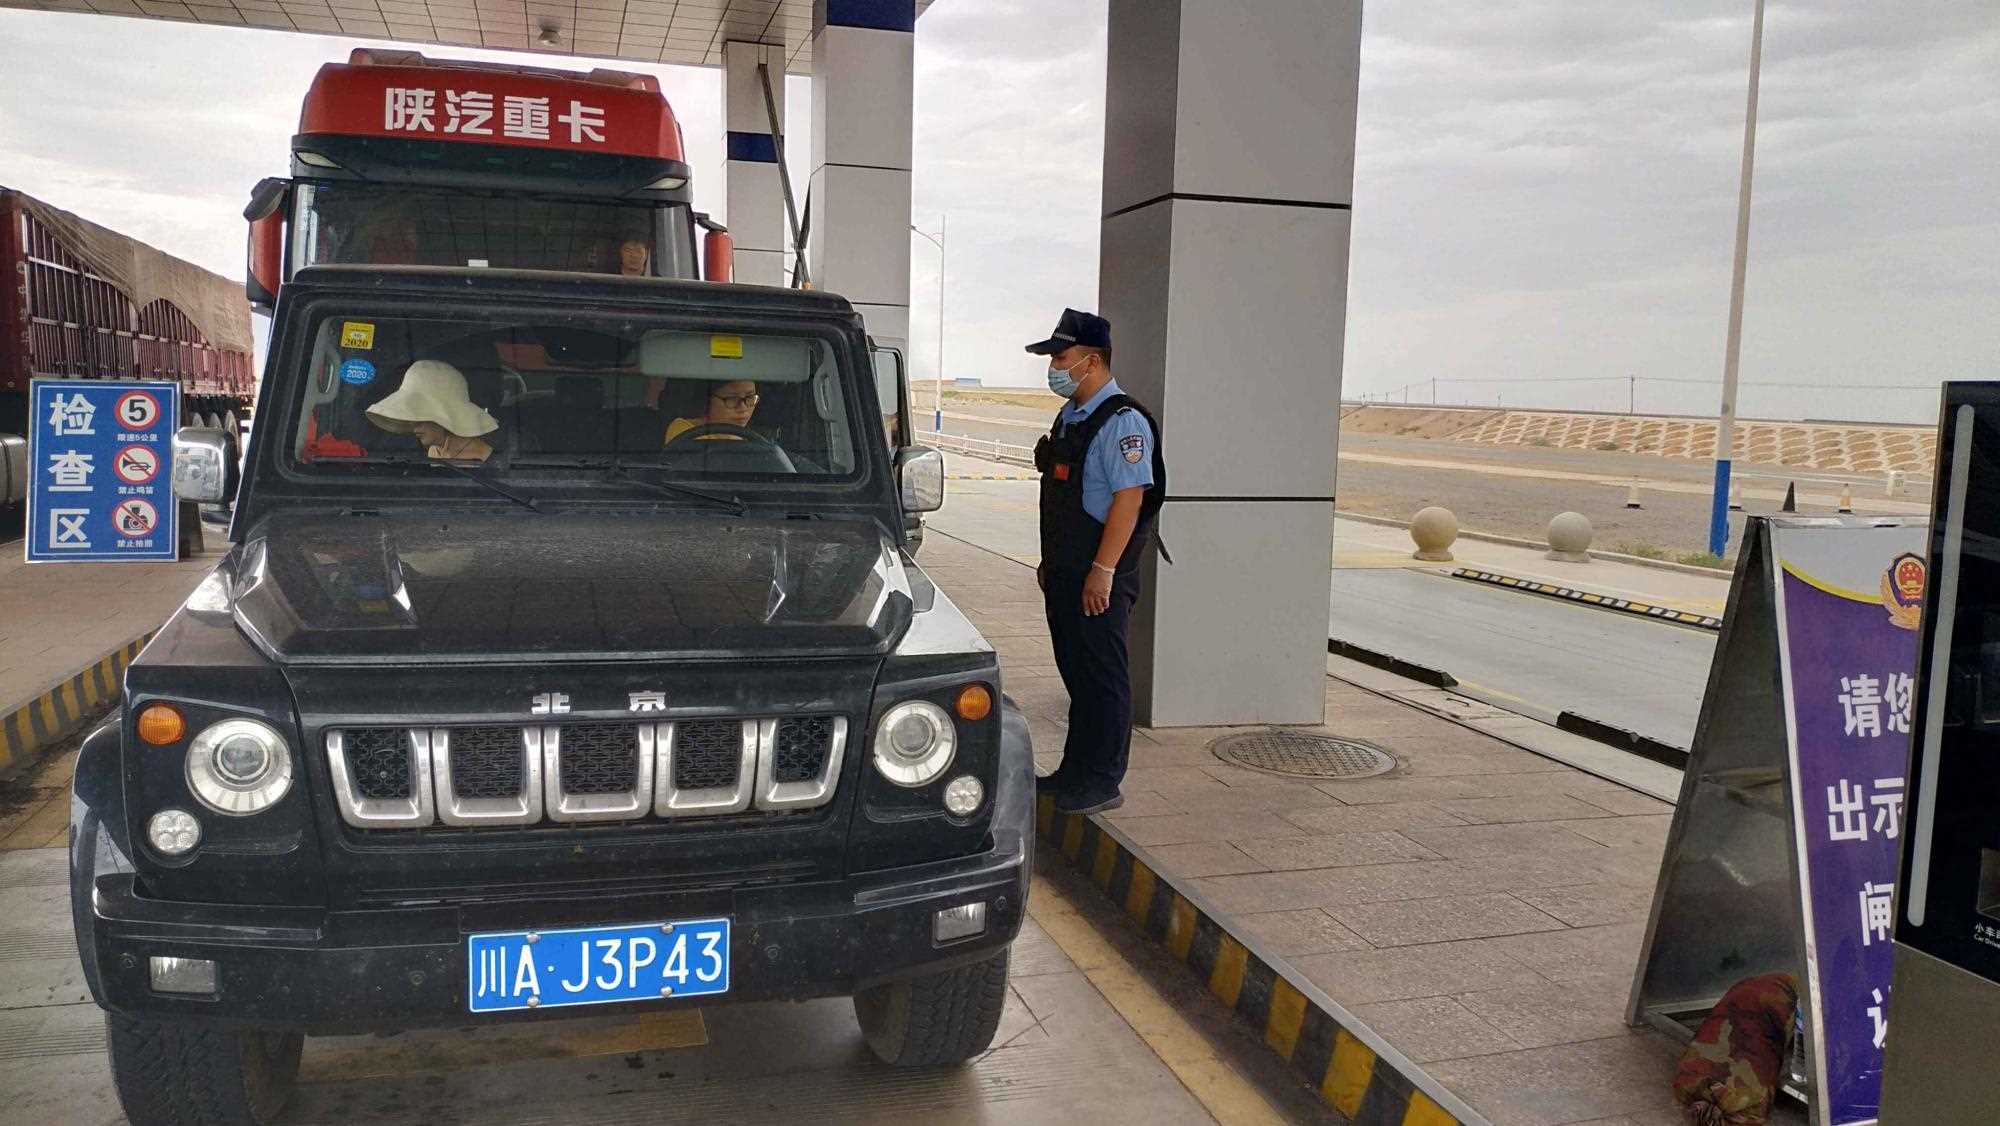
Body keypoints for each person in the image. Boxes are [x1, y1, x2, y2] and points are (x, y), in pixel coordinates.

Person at [1025, 308, 1166, 815]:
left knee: (1103, 677)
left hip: (1099, 577)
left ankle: (1103, 780)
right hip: (1067, 572)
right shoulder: (1072, 416)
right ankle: (1075, 772)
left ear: (1093, 361)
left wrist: (1103, 572)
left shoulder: (1123, 423)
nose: (1054, 368)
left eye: (1060, 358)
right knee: (1078, 674)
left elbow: (1129, 501)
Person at [365, 360, 500, 463]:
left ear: (446, 414)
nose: (413, 424)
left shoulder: (484, 457)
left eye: (420, 414)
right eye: (413, 414)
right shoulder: (435, 451)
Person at [664, 380, 759, 444]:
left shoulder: (756, 438)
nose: (743, 408)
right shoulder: (685, 431)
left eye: (750, 397)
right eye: (732, 399)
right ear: (707, 400)